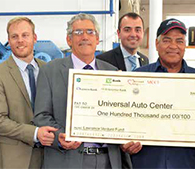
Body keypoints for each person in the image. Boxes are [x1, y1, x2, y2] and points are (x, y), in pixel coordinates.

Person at [33, 13, 132, 169]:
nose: (84, 37)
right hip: (67, 160)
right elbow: (41, 116)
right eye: (78, 32)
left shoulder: (113, 72)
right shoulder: (50, 71)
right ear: (69, 40)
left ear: (97, 39)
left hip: (107, 160)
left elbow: (121, 115)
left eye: (90, 32)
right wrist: (60, 137)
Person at [125, 18, 195, 168]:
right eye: (167, 40)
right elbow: (125, 119)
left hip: (186, 163)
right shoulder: (137, 77)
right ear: (156, 44)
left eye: (179, 41)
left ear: (185, 46)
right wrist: (124, 142)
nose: (173, 46)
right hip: (146, 162)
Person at [0, 17, 57, 168]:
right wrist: (35, 133)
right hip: (15, 159)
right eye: (14, 36)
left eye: (25, 35)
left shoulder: (49, 70)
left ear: (34, 38)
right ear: (8, 41)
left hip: (50, 157)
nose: (20, 41)